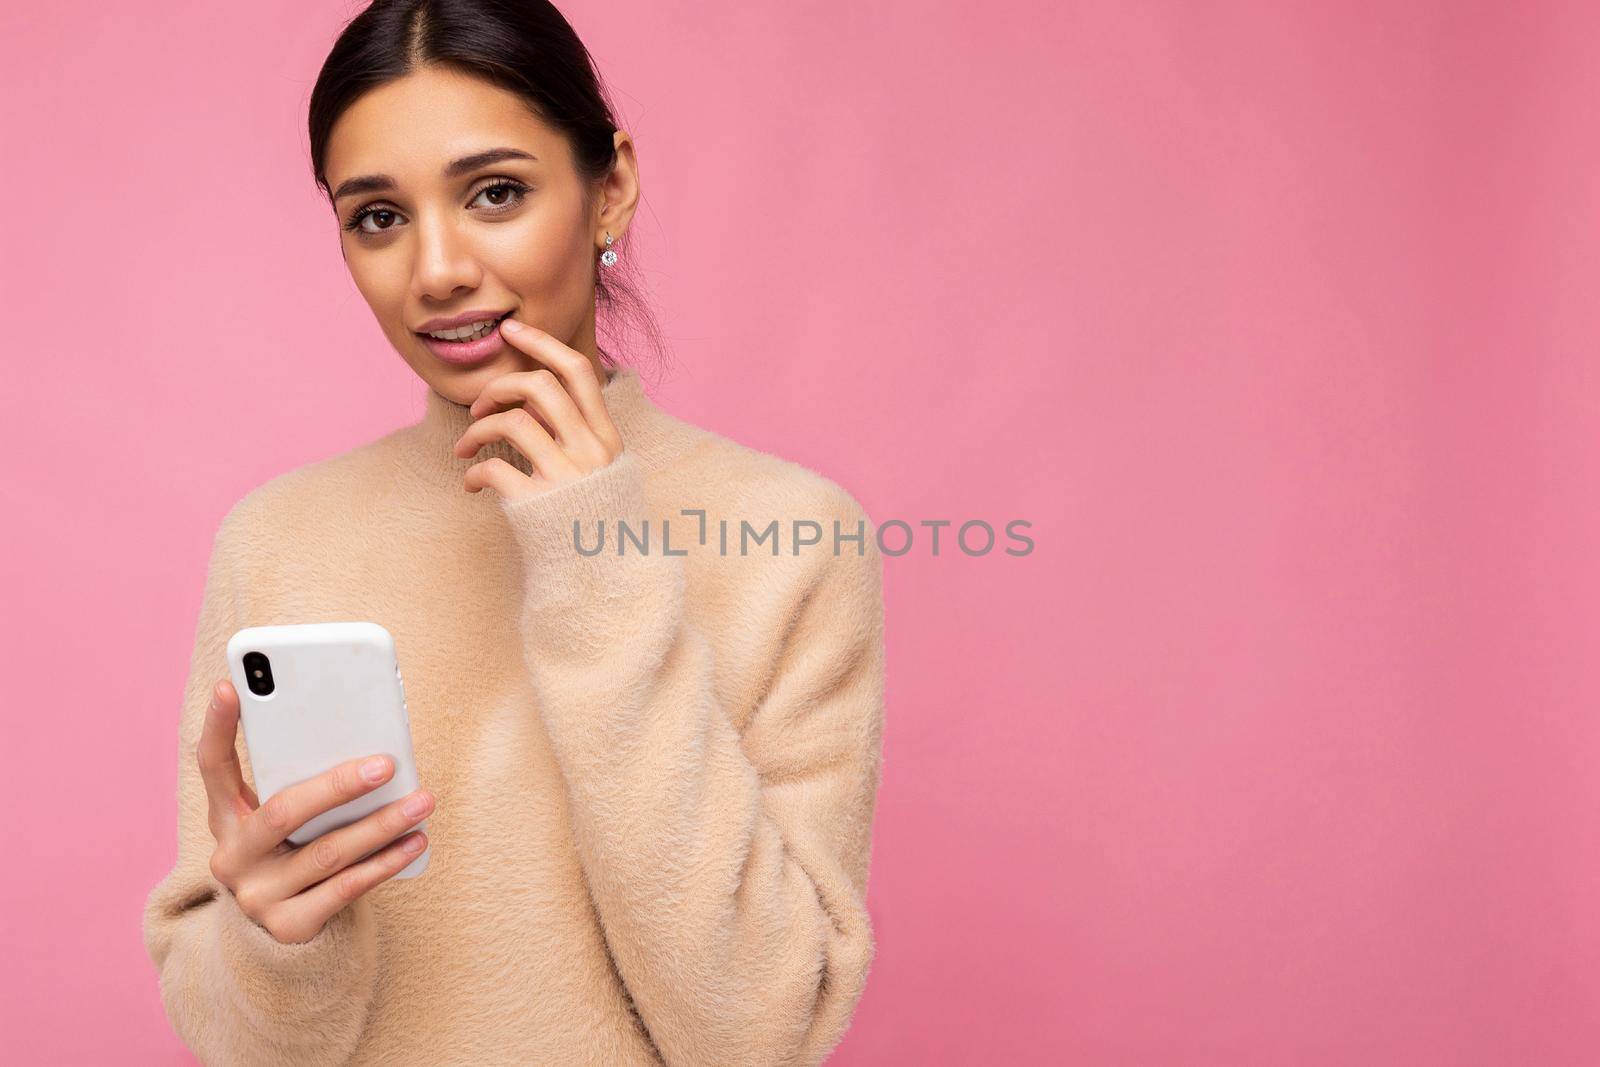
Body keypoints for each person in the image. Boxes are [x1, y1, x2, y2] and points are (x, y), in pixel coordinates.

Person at [139, 2, 887, 1064]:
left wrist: (599, 565)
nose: (436, 268)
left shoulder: (790, 534)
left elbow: (755, 1032)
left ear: (608, 186)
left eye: (495, 192)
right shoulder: (278, 536)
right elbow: (245, 1045)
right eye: (378, 216)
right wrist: (271, 935)